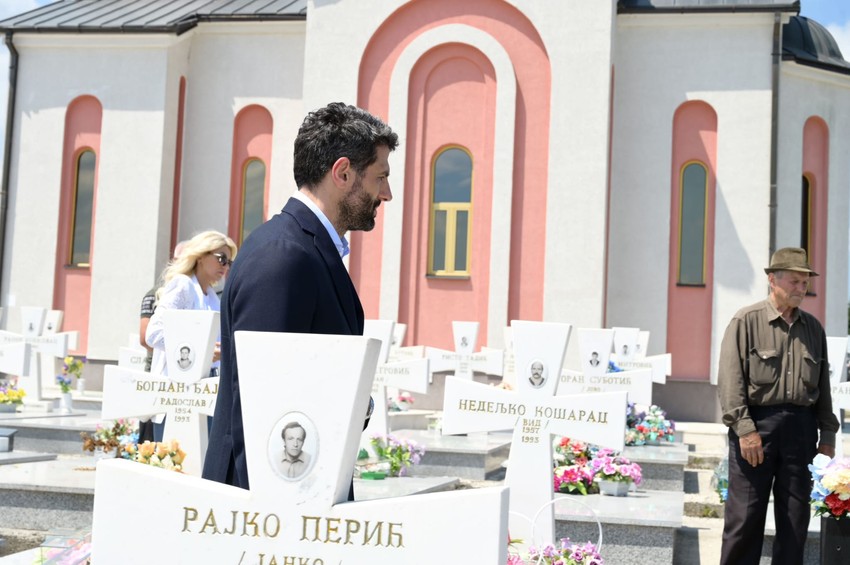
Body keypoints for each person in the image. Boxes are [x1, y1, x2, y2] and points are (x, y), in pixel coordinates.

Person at [203, 102, 398, 491]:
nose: (386, 194)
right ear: (343, 173)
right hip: (270, 504)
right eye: (380, 177)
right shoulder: (284, 255)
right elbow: (264, 409)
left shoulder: (305, 248)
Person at [717, 247, 839, 565]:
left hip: (801, 430)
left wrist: (827, 437)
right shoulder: (746, 320)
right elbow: (730, 381)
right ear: (773, 280)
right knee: (744, 518)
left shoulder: (814, 329)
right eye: (795, 281)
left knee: (795, 521)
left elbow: (823, 389)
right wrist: (745, 431)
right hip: (757, 428)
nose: (802, 288)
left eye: (805, 282)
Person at [145, 230, 237, 439]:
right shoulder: (183, 285)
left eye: (229, 262)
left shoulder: (213, 297)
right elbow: (154, 334)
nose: (225, 267)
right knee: (173, 457)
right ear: (201, 256)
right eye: (221, 259)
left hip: (202, 393)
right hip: (176, 394)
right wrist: (202, 353)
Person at [138, 241, 186, 443]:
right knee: (152, 440)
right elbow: (145, 338)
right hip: (158, 370)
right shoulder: (156, 293)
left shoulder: (203, 292)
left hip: (184, 375)